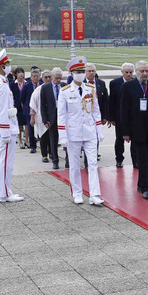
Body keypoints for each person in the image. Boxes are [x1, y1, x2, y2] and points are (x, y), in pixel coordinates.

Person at [57, 56, 104, 206]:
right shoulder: (64, 91)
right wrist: (62, 136)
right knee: (75, 166)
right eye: (78, 71)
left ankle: (94, 194)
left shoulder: (90, 89)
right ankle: (77, 193)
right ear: (71, 73)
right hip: (73, 133)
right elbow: (61, 115)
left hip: (89, 131)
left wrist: (99, 130)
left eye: (82, 71)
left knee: (92, 164)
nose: (81, 73)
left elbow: (96, 111)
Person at [120, 60, 148, 199]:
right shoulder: (128, 87)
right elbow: (124, 111)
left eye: (146, 71)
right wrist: (125, 132)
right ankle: (146, 189)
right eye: (141, 71)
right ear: (136, 72)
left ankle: (141, 183)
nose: (144, 73)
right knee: (144, 160)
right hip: (137, 131)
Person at [0, 49, 23, 203]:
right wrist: (6, 131)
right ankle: (4, 193)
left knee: (5, 161)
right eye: (8, 64)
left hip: (5, 127)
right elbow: (1, 110)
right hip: (5, 128)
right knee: (5, 163)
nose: (10, 66)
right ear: (2, 66)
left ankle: (5, 190)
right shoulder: (1, 84)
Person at [107, 62, 136, 169]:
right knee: (119, 139)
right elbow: (111, 101)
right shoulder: (114, 83)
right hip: (119, 117)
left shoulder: (135, 82)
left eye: (130, 72)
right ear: (122, 72)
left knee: (135, 140)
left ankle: (135, 160)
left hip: (133, 118)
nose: (128, 74)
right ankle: (119, 159)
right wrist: (111, 118)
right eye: (126, 72)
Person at [40, 67, 63, 169]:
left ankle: (67, 160)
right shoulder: (45, 88)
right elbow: (43, 105)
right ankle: (55, 160)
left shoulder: (64, 86)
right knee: (53, 140)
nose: (58, 80)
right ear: (52, 77)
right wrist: (45, 120)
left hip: (63, 117)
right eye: (57, 78)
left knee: (65, 139)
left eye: (60, 78)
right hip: (52, 118)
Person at [29, 70, 49, 164]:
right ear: (42, 79)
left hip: (52, 117)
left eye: (49, 77)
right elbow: (33, 105)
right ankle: (44, 155)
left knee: (52, 138)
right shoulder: (38, 90)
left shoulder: (54, 89)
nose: (48, 79)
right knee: (43, 137)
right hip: (41, 118)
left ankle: (52, 153)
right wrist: (32, 117)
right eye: (46, 77)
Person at [21, 68, 40, 154]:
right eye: (34, 76)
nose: (36, 78)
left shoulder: (42, 85)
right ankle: (33, 146)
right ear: (31, 77)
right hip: (29, 110)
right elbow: (22, 98)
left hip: (40, 111)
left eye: (37, 76)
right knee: (31, 128)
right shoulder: (26, 86)